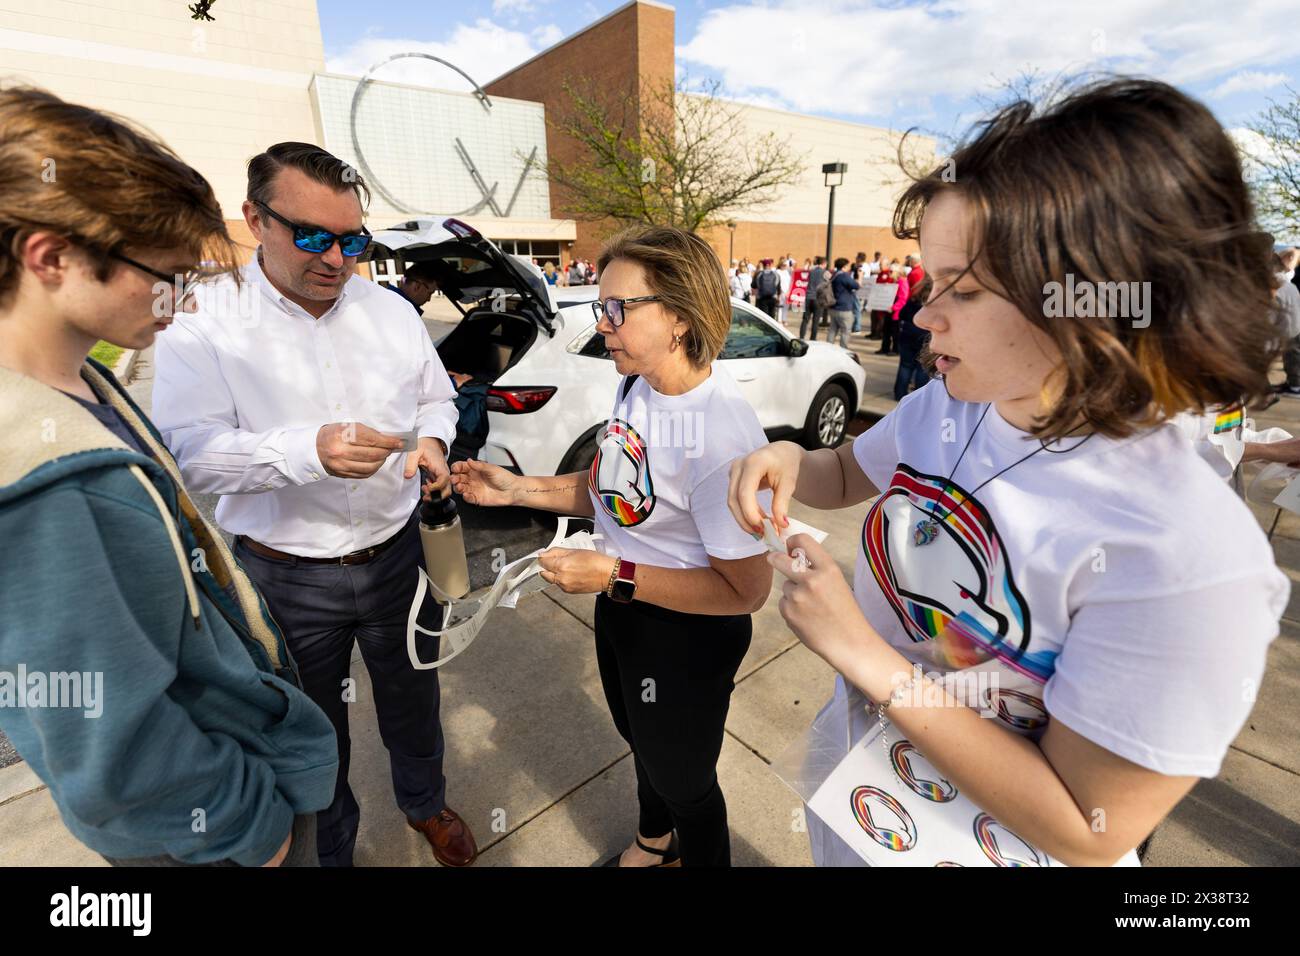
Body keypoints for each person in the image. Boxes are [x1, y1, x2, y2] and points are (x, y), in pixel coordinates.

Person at [728, 78, 1286, 867]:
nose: (923, 316)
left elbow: (1085, 826)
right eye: (928, 281)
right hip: (870, 802)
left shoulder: (1187, 556)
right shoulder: (955, 406)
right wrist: (790, 458)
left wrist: (865, 656)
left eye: (965, 288)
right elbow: (851, 471)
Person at [0, 86, 337, 867]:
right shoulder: (35, 483)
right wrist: (257, 832)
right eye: (168, 277)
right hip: (209, 835)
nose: (182, 305)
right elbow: (107, 743)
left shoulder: (85, 382)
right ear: (51, 257)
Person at [152, 142, 478, 868]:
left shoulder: (390, 311)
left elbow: (435, 398)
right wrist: (308, 451)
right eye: (312, 237)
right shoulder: (203, 319)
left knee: (413, 700)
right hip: (285, 577)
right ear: (254, 219)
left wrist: (431, 440)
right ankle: (333, 850)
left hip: (397, 558)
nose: (336, 259)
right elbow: (190, 454)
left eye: (353, 239)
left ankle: (425, 803)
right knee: (313, 733)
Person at [451, 226, 774, 867]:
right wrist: (518, 489)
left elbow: (748, 590)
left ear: (679, 317)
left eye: (618, 309)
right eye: (603, 307)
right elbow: (613, 490)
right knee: (640, 737)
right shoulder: (636, 386)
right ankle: (654, 843)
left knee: (687, 781)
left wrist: (613, 574)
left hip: (686, 632)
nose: (603, 324)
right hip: (624, 606)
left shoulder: (718, 433)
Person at [893, 274, 932, 399]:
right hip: (924, 337)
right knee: (922, 368)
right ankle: (918, 398)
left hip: (907, 335)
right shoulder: (934, 303)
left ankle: (899, 394)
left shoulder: (914, 299)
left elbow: (903, 314)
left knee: (905, 365)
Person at [878, 266, 911, 355]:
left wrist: (893, 308)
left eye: (892, 271)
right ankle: (885, 348)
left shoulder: (902, 281)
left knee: (895, 332)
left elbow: (903, 299)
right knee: (886, 330)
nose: (889, 273)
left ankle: (895, 350)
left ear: (898, 272)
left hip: (896, 312)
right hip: (889, 310)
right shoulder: (894, 281)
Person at [828, 257, 859, 348]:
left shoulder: (834, 275)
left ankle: (828, 348)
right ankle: (843, 350)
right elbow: (856, 286)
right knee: (845, 331)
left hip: (833, 307)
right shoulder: (844, 276)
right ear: (844, 266)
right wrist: (860, 277)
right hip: (844, 308)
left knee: (832, 330)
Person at [801, 255, 828, 340]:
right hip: (818, 298)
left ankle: (801, 336)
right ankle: (813, 339)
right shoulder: (825, 272)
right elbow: (831, 281)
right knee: (815, 321)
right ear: (824, 263)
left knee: (805, 319)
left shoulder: (811, 271)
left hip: (808, 297)